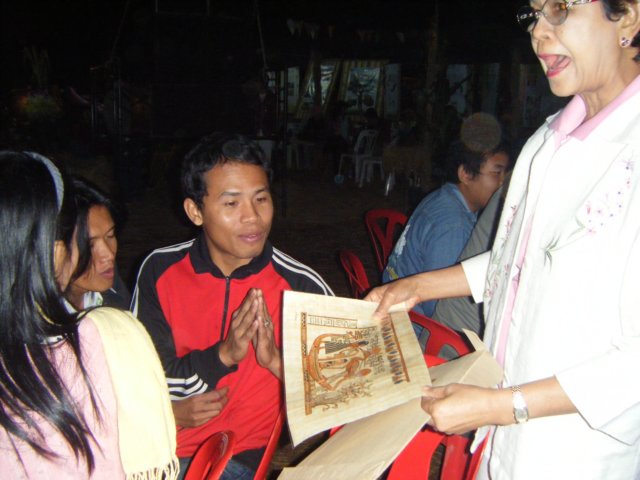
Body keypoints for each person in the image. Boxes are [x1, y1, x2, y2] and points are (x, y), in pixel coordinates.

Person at [366, 1, 640, 477]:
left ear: (629, 15)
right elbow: (519, 261)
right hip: (505, 440)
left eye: (560, 9)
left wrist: (503, 405)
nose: (539, 32)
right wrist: (418, 286)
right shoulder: (545, 141)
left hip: (579, 454)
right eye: (533, 15)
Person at [131, 133, 334, 479]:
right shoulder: (159, 271)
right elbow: (144, 379)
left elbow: (344, 392)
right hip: (157, 446)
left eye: (261, 199)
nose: (252, 217)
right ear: (195, 211)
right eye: (231, 204)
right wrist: (218, 359)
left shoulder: (301, 286)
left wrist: (276, 362)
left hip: (238, 457)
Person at [0, 151, 177, 478]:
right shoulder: (101, 333)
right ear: (55, 251)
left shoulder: (112, 295)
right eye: (87, 243)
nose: (107, 254)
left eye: (111, 236)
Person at [382, 138, 509, 320]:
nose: (503, 183)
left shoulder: (443, 196)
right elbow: (439, 306)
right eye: (496, 173)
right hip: (413, 323)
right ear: (466, 174)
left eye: (505, 173)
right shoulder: (454, 225)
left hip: (397, 300)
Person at [65, 176, 131, 311]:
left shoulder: (113, 291)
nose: (109, 255)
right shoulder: (32, 317)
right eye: (90, 245)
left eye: (110, 236)